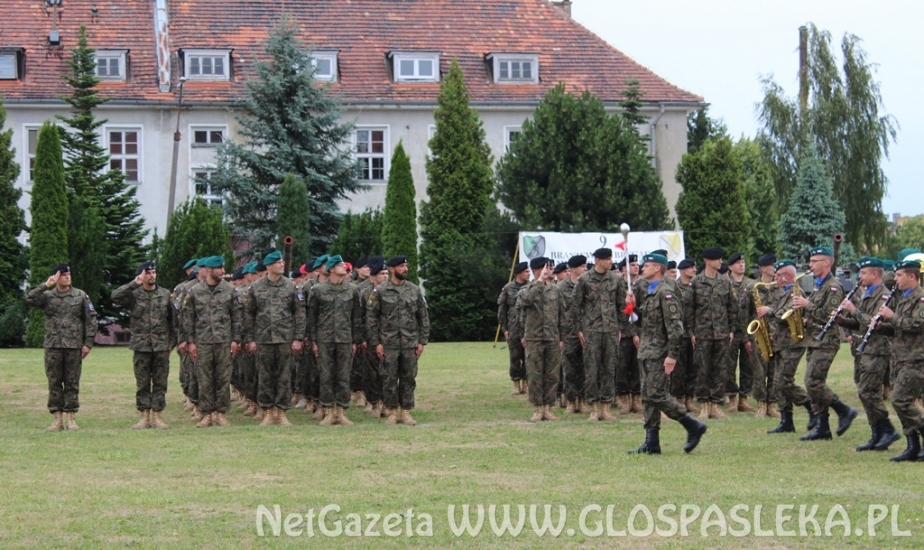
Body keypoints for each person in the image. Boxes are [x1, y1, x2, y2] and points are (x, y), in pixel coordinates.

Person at [627, 253, 707, 454]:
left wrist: (672, 355)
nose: (642, 268)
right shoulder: (650, 291)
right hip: (647, 352)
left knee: (657, 393)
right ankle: (651, 441)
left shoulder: (666, 292)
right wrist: (632, 309)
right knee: (647, 396)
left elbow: (676, 328)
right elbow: (643, 321)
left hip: (659, 353)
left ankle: (692, 425)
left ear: (657, 269)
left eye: (647, 266)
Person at [791, 245, 857, 441]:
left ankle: (844, 410)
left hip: (826, 341)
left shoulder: (834, 286)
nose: (810, 265)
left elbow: (832, 316)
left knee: (813, 382)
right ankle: (822, 427)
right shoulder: (820, 284)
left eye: (814, 261)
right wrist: (806, 319)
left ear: (827, 263)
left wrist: (807, 305)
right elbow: (818, 314)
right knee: (813, 383)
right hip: (814, 339)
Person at [835, 257, 900, 451]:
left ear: (874, 274)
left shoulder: (884, 296)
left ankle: (887, 429)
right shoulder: (867, 294)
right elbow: (861, 324)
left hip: (879, 349)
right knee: (866, 392)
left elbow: (873, 322)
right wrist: (842, 321)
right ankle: (877, 433)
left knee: (867, 392)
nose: (859, 276)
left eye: (863, 273)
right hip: (866, 349)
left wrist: (853, 311)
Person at [25, 264, 98, 431]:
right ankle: (57, 419)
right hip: (53, 346)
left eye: (68, 274)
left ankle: (71, 418)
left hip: (74, 346)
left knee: (72, 382)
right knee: (54, 382)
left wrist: (88, 344)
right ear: (56, 277)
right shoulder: (47, 296)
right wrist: (46, 284)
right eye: (63, 275)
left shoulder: (80, 296)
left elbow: (91, 320)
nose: (67, 277)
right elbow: (29, 298)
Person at [244, 251, 306, 427]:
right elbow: (249, 315)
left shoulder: (291, 287)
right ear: (268, 266)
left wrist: (298, 338)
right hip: (263, 339)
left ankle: (282, 412)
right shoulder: (256, 287)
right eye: (278, 262)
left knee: (285, 376)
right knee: (265, 376)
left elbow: (300, 314)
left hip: (285, 338)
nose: (282, 264)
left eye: (282, 262)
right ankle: (268, 411)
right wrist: (250, 339)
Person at [111, 261, 177, 430]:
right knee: (142, 383)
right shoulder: (134, 294)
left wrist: (171, 343)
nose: (152, 276)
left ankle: (157, 416)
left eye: (154, 272)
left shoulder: (165, 294)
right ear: (141, 275)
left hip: (161, 346)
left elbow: (174, 321)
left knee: (160, 382)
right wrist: (134, 283)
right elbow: (115, 297)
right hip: (141, 346)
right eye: (148, 273)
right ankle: (144, 416)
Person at [367, 256, 430, 425]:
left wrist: (422, 341)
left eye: (406, 265)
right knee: (389, 378)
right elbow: (372, 318)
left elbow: (423, 317)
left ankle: (406, 412)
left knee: (409, 377)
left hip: (410, 343)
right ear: (393, 269)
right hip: (389, 343)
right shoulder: (380, 291)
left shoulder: (414, 290)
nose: (405, 269)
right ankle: (392, 411)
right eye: (401, 266)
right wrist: (376, 343)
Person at [873, 258, 924, 462]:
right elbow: (898, 331)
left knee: (900, 399)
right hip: (899, 358)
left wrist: (891, 316)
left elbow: (916, 325)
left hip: (916, 358)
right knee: (900, 401)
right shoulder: (903, 297)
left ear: (912, 276)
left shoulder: (921, 298)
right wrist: (881, 327)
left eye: (899, 275)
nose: (895, 279)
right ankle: (913, 445)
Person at [183, 256, 242, 428]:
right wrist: (190, 342)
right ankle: (207, 413)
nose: (223, 271)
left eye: (223, 268)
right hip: (203, 342)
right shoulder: (195, 291)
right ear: (209, 270)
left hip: (224, 341)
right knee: (204, 379)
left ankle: (220, 413)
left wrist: (236, 339)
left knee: (223, 378)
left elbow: (237, 317)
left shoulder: (230, 290)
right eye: (219, 269)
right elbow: (188, 319)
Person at [572, 247, 628, 421]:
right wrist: (579, 329)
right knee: (591, 369)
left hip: (611, 331)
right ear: (598, 260)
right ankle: (594, 408)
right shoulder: (585, 280)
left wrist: (621, 328)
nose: (611, 262)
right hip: (592, 331)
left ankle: (606, 408)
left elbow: (622, 305)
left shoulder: (616, 280)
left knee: (609, 369)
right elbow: (576, 306)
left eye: (611, 258)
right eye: (607, 259)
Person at [307, 255, 363, 426]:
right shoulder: (318, 290)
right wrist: (313, 340)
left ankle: (341, 411)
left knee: (344, 375)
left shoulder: (352, 290)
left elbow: (356, 317)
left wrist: (355, 340)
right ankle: (329, 410)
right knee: (326, 375)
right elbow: (312, 318)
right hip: (325, 339)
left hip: (345, 338)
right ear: (331, 269)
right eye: (339, 265)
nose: (343, 267)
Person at [766, 260, 815, 434]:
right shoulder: (782, 293)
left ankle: (810, 405)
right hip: (781, 342)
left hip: (793, 343)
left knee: (784, 381)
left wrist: (769, 311)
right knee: (777, 383)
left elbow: (785, 315)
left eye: (778, 275)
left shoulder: (796, 292)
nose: (775, 278)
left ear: (787, 276)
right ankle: (786, 420)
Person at [691, 247, 738, 420]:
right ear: (708, 261)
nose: (720, 262)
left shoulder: (725, 282)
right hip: (702, 333)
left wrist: (731, 329)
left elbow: (731, 308)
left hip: (721, 333)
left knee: (720, 369)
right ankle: (704, 405)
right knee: (702, 369)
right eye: (717, 259)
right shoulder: (696, 282)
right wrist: (691, 332)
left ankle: (716, 405)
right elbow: (690, 309)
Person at [516, 258, 565, 422]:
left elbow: (561, 315)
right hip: (534, 337)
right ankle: (537, 409)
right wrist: (538, 282)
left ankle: (548, 408)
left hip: (552, 337)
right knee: (535, 374)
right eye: (546, 268)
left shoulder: (555, 290)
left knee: (552, 374)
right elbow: (526, 301)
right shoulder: (526, 289)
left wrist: (562, 337)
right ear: (537, 270)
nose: (550, 271)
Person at [747, 253, 781, 418]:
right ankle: (761, 403)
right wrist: (746, 337)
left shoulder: (780, 286)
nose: (775, 268)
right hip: (759, 334)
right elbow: (744, 313)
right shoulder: (752, 287)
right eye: (771, 265)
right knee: (759, 371)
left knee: (774, 371)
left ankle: (772, 404)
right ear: (762, 268)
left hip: (777, 334)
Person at [559, 255, 589, 414]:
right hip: (568, 332)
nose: (585, 269)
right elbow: (558, 312)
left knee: (585, 366)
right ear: (574, 268)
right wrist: (560, 336)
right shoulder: (561, 287)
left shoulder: (588, 284)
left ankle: (582, 400)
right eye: (582, 266)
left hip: (586, 331)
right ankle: (571, 401)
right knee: (569, 367)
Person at [726, 252, 755, 412]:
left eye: (743, 262)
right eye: (737, 263)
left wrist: (749, 335)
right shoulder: (724, 284)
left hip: (747, 332)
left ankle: (744, 398)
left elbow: (753, 312)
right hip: (731, 332)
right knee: (729, 367)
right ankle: (732, 398)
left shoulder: (751, 285)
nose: (741, 265)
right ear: (730, 267)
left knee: (747, 366)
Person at [361, 259, 389, 417]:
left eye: (386, 273)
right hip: (371, 338)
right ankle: (375, 402)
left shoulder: (391, 290)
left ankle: (387, 402)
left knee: (388, 372)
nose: (385, 277)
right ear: (373, 276)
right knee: (372, 372)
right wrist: (362, 338)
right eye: (381, 274)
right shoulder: (365, 293)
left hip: (390, 337)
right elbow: (361, 318)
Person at [498, 262, 530, 395]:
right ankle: (516, 382)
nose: (529, 274)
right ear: (519, 273)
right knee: (515, 356)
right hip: (513, 328)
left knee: (528, 357)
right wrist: (505, 329)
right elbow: (502, 309)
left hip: (528, 328)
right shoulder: (508, 288)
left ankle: (526, 383)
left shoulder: (531, 287)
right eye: (526, 271)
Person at [671, 258, 698, 412]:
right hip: (679, 332)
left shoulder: (696, 286)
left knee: (692, 368)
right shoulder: (674, 286)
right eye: (690, 268)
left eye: (694, 267)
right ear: (682, 270)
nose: (694, 270)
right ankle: (678, 398)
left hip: (693, 332)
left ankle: (689, 399)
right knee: (678, 369)